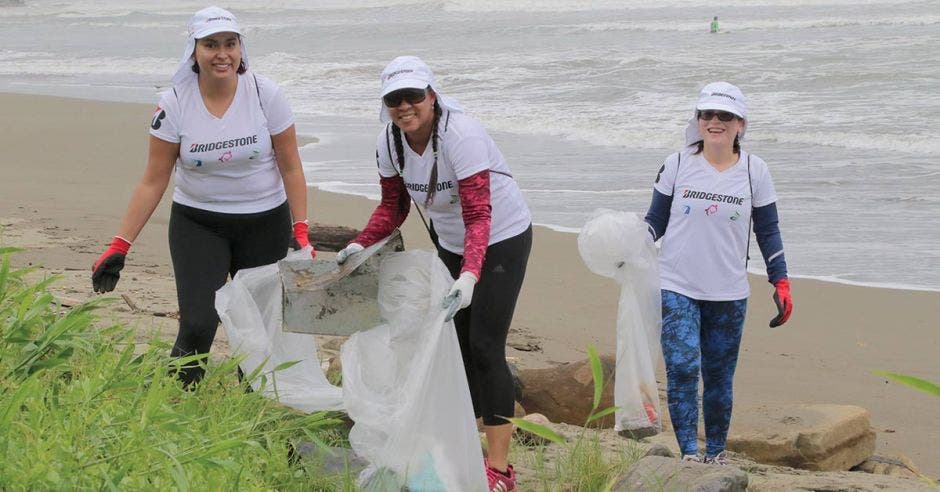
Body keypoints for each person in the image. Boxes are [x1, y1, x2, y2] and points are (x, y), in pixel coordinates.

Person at [335, 56, 532, 491]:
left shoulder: (462, 135)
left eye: (413, 96)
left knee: (484, 345)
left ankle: (500, 471)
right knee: (452, 348)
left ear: (432, 95)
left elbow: (480, 212)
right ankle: (461, 445)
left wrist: (470, 276)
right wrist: (358, 244)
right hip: (451, 241)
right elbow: (394, 207)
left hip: (501, 237)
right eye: (394, 99)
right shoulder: (389, 142)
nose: (405, 106)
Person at [91, 6, 315, 386]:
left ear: (241, 49)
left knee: (258, 331)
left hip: (265, 223)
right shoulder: (175, 102)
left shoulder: (266, 93)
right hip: (198, 223)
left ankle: (253, 413)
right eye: (211, 44)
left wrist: (302, 230)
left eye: (230, 44)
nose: (222, 53)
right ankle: (177, 407)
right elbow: (153, 179)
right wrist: (119, 245)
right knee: (197, 324)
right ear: (194, 50)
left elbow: (291, 165)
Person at [643, 82, 792, 464]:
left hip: (728, 292)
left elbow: (768, 230)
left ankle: (717, 453)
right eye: (707, 114)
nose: (715, 122)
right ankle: (689, 453)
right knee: (681, 368)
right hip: (677, 285)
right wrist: (628, 246)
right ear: (698, 121)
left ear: (740, 123)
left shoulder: (755, 171)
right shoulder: (676, 164)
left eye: (725, 115)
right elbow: (654, 222)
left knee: (719, 379)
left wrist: (781, 280)